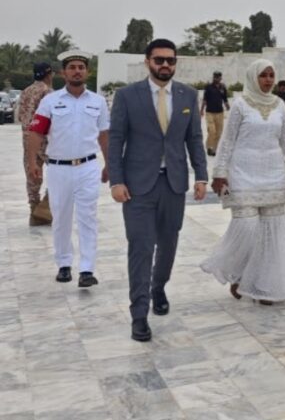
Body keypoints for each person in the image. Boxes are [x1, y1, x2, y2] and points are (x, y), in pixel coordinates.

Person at [108, 38, 208, 343]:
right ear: (147, 62)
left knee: (168, 244)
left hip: (173, 184)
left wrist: (201, 176)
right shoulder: (127, 96)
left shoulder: (188, 94)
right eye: (159, 60)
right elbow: (116, 139)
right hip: (138, 187)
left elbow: (194, 139)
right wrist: (116, 180)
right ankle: (139, 314)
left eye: (170, 60)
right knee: (141, 247)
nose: (165, 65)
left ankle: (158, 286)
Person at [201, 60, 285, 304]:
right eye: (263, 75)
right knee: (247, 229)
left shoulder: (279, 105)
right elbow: (227, 140)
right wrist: (219, 172)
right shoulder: (240, 105)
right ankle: (238, 274)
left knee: (272, 233)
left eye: (271, 75)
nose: (268, 80)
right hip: (242, 174)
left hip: (273, 175)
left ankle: (265, 285)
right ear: (253, 77)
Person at [26, 51, 109, 286]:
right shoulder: (50, 101)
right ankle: (64, 264)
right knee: (61, 217)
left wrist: (109, 164)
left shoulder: (98, 102)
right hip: (59, 168)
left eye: (81, 67)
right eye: (72, 67)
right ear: (63, 73)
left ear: (87, 72)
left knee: (88, 217)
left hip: (88, 167)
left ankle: (87, 270)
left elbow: (104, 135)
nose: (77, 71)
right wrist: (32, 163)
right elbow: (36, 132)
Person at [19, 61, 55, 226]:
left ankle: (34, 211)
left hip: (27, 139)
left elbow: (21, 116)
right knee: (60, 171)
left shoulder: (25, 91)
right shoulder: (48, 92)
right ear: (49, 74)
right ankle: (44, 208)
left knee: (32, 176)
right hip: (45, 139)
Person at [201, 71, 230, 156]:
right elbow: (204, 100)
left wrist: (228, 106)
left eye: (218, 77)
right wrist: (201, 110)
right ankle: (209, 147)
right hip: (210, 112)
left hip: (220, 113)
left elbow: (225, 99)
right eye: (215, 77)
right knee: (212, 131)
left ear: (220, 78)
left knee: (219, 133)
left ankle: (214, 149)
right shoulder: (208, 87)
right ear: (213, 77)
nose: (216, 78)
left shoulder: (223, 87)